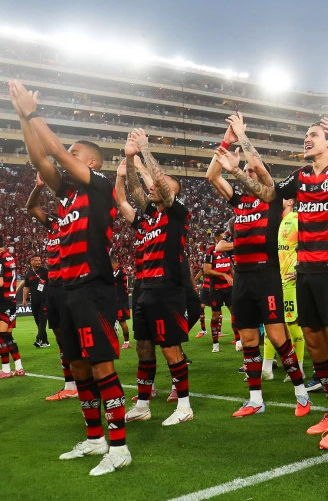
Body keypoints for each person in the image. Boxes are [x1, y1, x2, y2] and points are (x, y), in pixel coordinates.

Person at [226, 117, 328, 449]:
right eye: (306, 134)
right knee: (315, 346)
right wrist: (237, 170)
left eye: (314, 135)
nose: (307, 139)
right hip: (305, 273)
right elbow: (268, 193)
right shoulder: (300, 177)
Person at [11, 80, 130, 475]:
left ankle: (119, 448)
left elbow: (57, 153)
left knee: (101, 368)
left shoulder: (100, 186)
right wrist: (23, 118)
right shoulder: (66, 195)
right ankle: (95, 439)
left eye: (76, 155)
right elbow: (40, 160)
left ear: (91, 164)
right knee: (78, 368)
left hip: (95, 289)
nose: (67, 159)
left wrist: (33, 113)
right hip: (67, 291)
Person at [208, 114, 310, 418]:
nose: (250, 172)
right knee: (249, 338)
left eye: (253, 170)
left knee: (278, 337)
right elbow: (212, 176)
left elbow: (260, 170)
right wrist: (227, 139)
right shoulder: (239, 202)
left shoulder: (272, 198)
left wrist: (242, 142)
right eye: (247, 170)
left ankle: (301, 393)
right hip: (242, 276)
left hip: (267, 275)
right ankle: (255, 400)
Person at [117, 129, 193, 426]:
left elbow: (159, 182)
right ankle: (143, 405)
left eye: (160, 186)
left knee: (170, 348)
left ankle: (184, 406)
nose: (152, 187)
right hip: (145, 290)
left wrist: (145, 150)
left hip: (168, 290)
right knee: (144, 348)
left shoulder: (178, 213)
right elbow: (134, 190)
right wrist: (130, 158)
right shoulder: (148, 217)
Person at [24, 175, 78, 401]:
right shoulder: (53, 224)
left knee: (77, 335)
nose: (57, 200)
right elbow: (31, 208)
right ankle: (70, 385)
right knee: (59, 335)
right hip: (53, 288)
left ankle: (88, 381)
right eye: (56, 197)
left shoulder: (77, 219)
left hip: (72, 284)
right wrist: (38, 186)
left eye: (61, 197)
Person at [261, 198, 307, 386]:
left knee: (292, 324)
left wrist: (300, 268)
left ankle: (299, 368)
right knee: (270, 322)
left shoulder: (296, 219)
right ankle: (266, 369)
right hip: (273, 280)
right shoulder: (273, 220)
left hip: (290, 282)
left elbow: (310, 244)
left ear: (290, 201)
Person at [0, 232, 24, 379]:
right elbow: (3, 277)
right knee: (8, 335)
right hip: (11, 300)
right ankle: (19, 368)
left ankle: (6, 370)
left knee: (0, 336)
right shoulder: (9, 256)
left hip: (0, 301)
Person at [204, 230, 233, 352]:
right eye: (222, 238)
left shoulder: (228, 251)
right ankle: (215, 344)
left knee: (235, 313)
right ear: (217, 239)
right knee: (216, 316)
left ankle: (238, 341)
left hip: (229, 288)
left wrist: (234, 278)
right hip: (216, 288)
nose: (225, 241)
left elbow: (231, 267)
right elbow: (206, 270)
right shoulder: (210, 251)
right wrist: (223, 275)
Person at [19, 255, 49, 348]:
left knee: (42, 320)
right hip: (34, 301)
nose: (39, 262)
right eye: (36, 260)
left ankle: (38, 339)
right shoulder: (29, 274)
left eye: (39, 260)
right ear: (31, 262)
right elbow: (26, 287)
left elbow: (52, 283)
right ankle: (45, 341)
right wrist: (24, 299)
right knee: (37, 321)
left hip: (45, 300)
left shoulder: (45, 271)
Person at [111, 254, 131, 349]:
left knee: (122, 322)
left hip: (121, 301)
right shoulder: (116, 271)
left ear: (113, 263)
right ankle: (114, 340)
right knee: (113, 321)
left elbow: (112, 279)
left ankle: (127, 342)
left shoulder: (120, 270)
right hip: (116, 301)